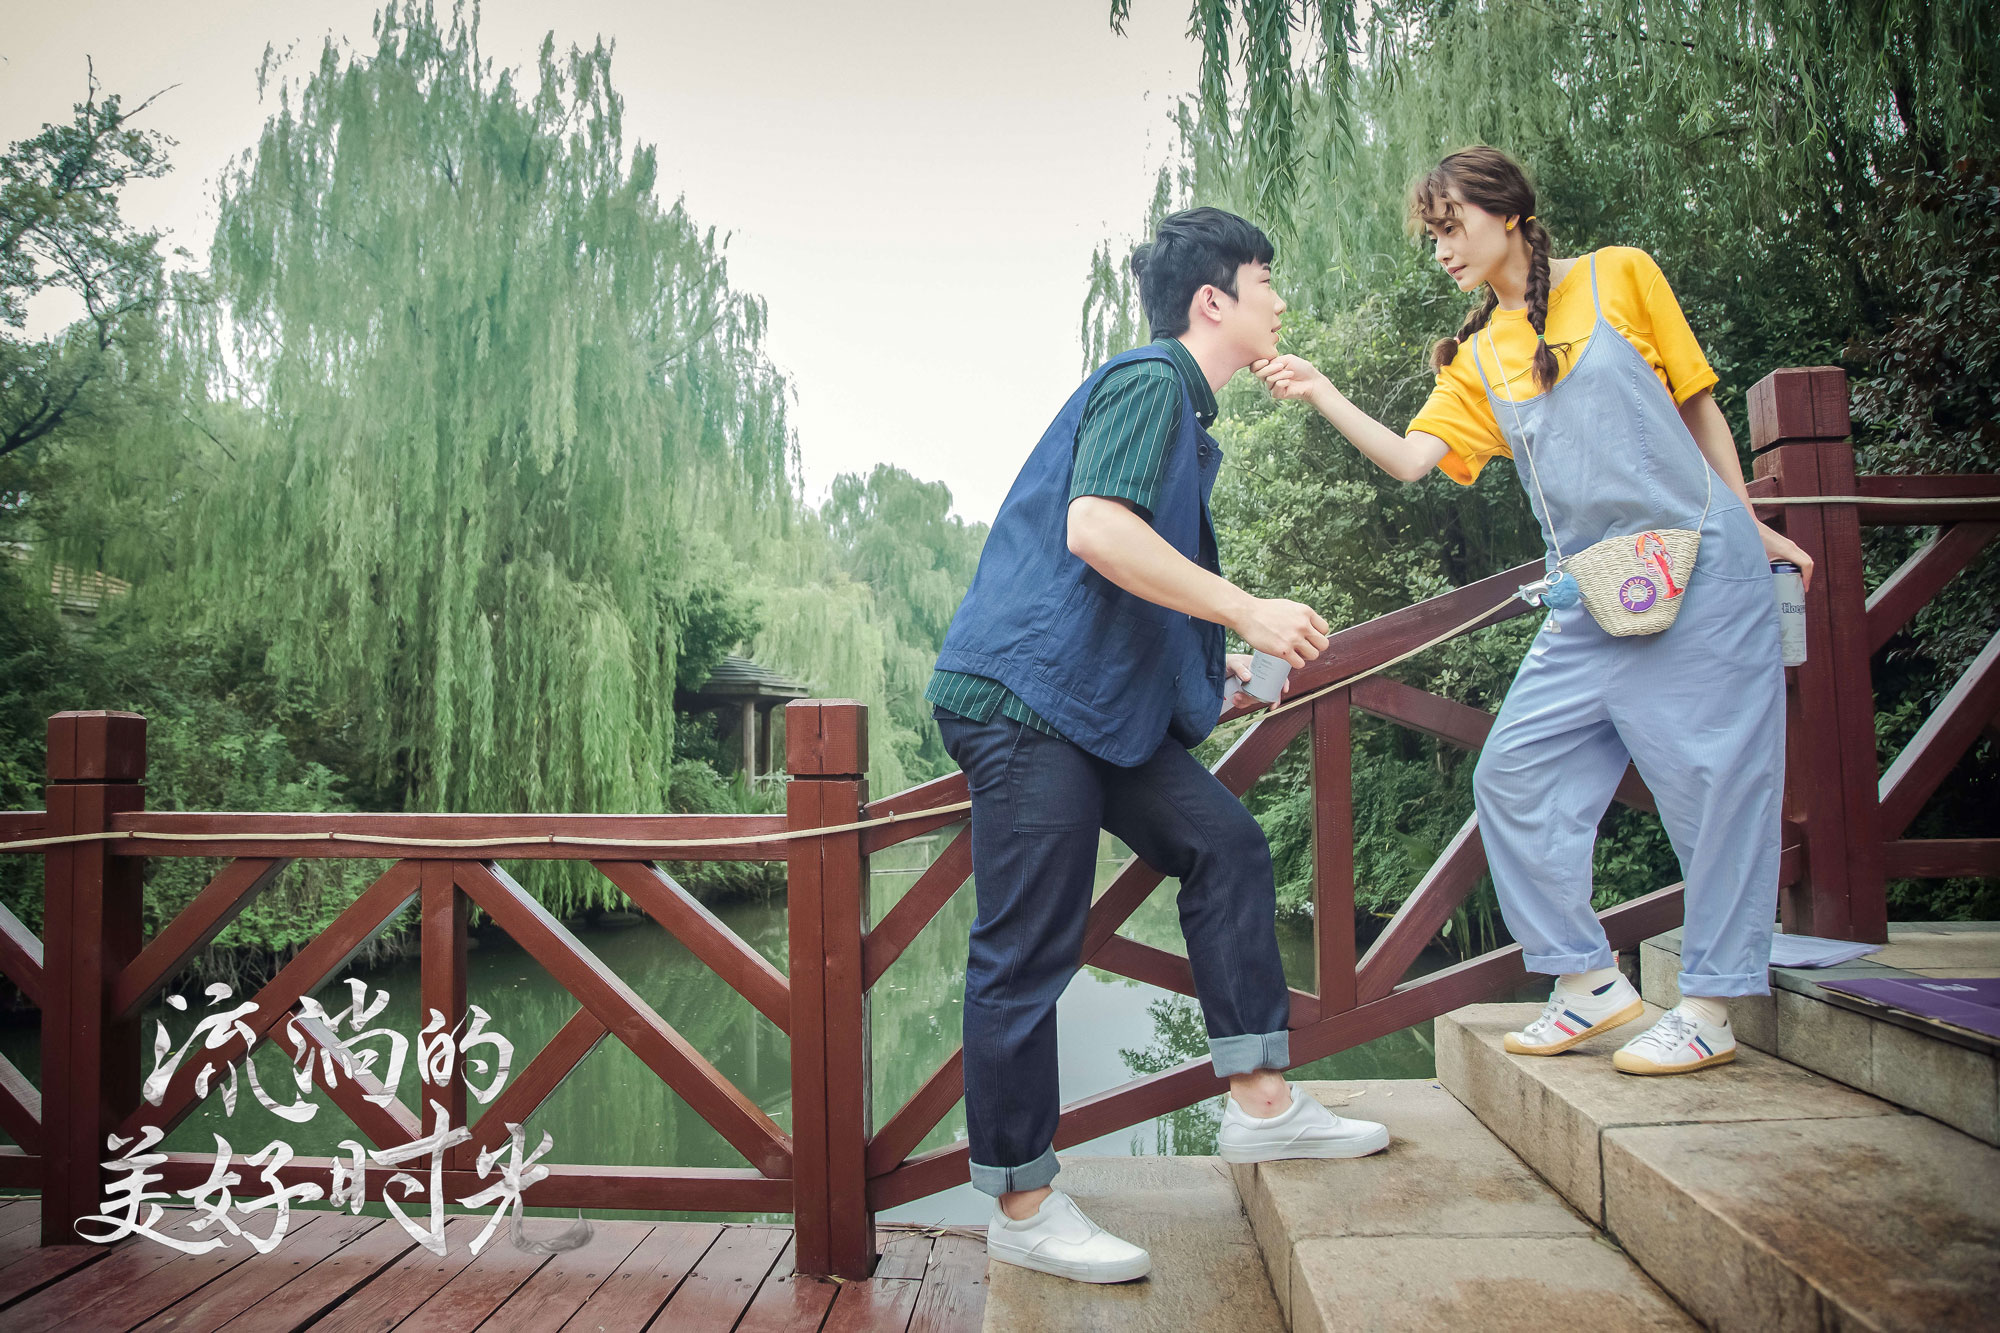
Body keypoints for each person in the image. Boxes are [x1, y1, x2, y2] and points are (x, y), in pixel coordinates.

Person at [1251, 147, 1812, 1079]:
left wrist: (1748, 524)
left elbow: (1698, 406)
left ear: (1508, 211)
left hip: (1703, 571)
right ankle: (1589, 982)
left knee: (1718, 786)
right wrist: (1320, 390)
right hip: (1592, 593)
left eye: (1452, 227)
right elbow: (1411, 460)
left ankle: (1710, 1006)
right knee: (1513, 775)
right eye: (1432, 237)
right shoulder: (1475, 356)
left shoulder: (1620, 275)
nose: (1442, 250)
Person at [928, 206, 1389, 1285]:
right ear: (1212, 300)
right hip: (1026, 705)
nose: (1281, 300)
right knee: (1025, 951)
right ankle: (1022, 1204)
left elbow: (1125, 580)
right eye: (1267, 281)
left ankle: (1262, 1105)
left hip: (1095, 713)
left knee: (1224, 846)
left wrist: (1208, 674)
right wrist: (1247, 610)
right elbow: (1096, 529)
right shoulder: (1149, 380)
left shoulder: (1182, 414)